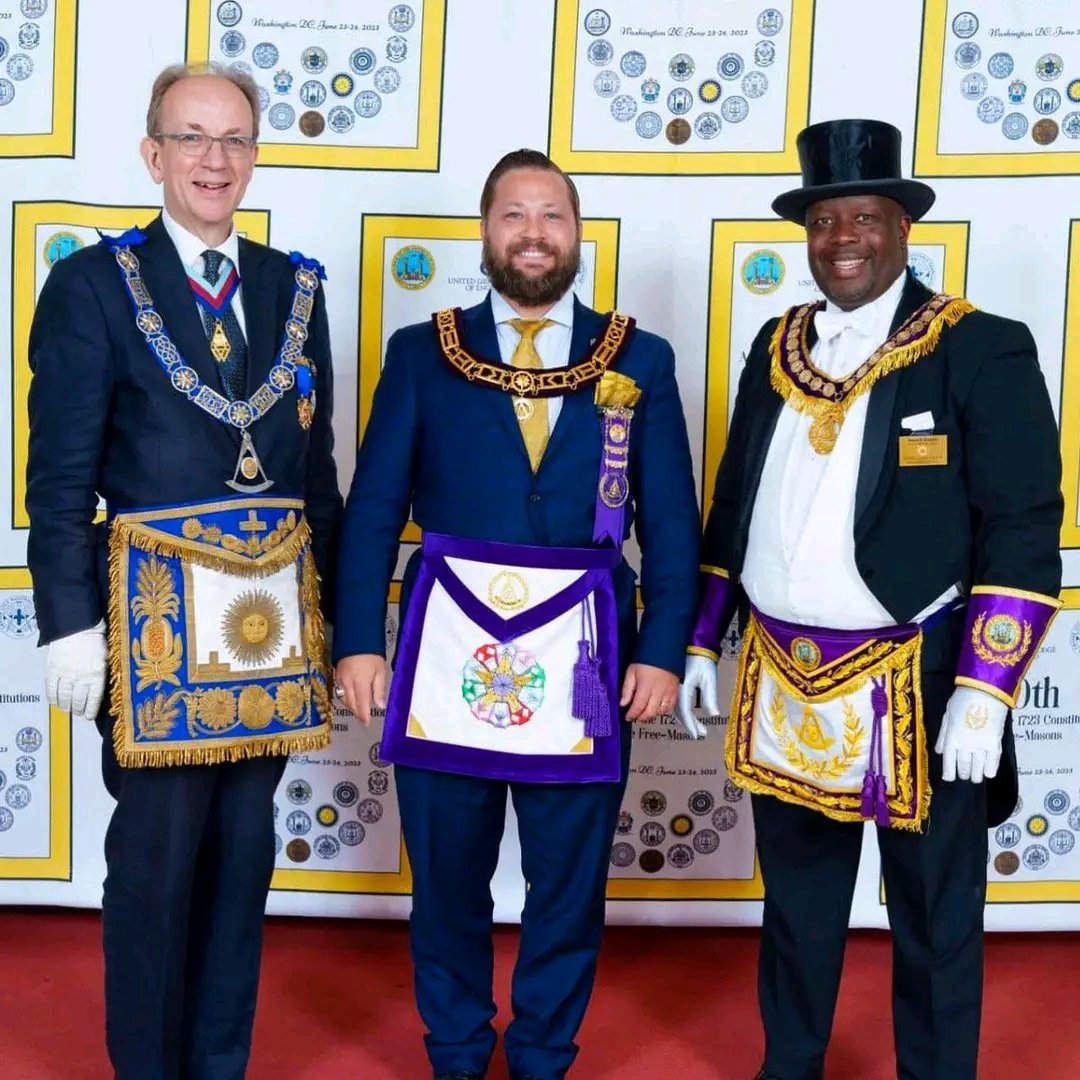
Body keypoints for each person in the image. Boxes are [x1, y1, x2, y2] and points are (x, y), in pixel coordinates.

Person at [677, 119, 1063, 1079]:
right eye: (823, 220)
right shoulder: (776, 342)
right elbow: (734, 504)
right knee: (797, 911)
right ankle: (790, 1066)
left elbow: (1022, 522)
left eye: (864, 217)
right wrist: (699, 640)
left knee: (935, 915)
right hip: (784, 675)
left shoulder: (981, 348)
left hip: (922, 678)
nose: (841, 237)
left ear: (902, 229)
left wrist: (987, 684)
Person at [334, 148, 699, 1080]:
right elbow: (374, 506)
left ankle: (542, 1058)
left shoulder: (640, 358)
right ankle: (455, 1055)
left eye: (552, 216)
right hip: (443, 650)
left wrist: (662, 651)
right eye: (513, 215)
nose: (533, 233)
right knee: (447, 882)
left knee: (567, 886)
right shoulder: (424, 352)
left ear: (578, 234)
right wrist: (354, 645)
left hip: (588, 655)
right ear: (485, 231)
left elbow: (669, 522)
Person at [26, 63, 342, 1079]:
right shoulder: (91, 286)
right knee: (158, 872)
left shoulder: (297, 290)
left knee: (243, 868)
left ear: (255, 155)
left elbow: (315, 475)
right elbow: (61, 476)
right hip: (154, 635)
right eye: (194, 138)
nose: (216, 159)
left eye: (236, 139)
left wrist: (340, 630)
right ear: (154, 154)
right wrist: (69, 622)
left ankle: (218, 1065)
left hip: (274, 638)